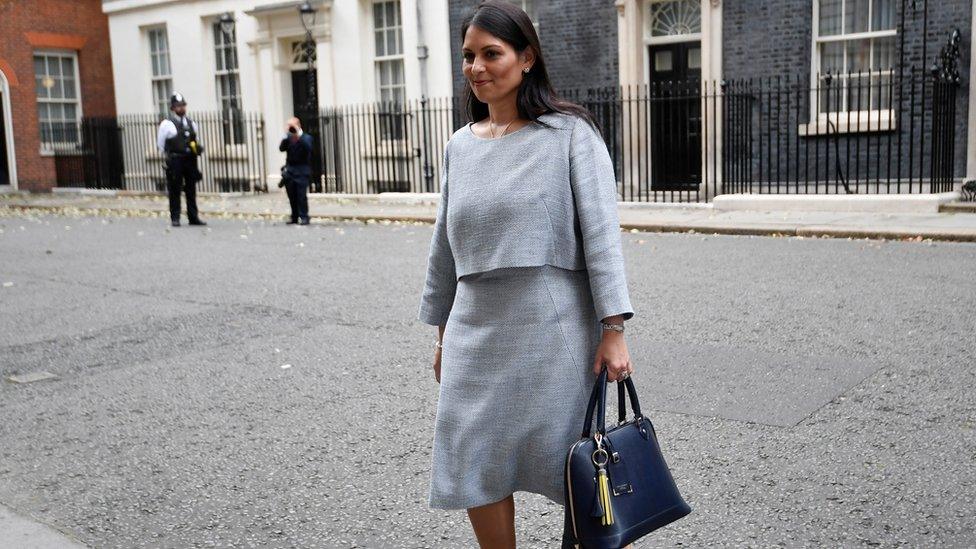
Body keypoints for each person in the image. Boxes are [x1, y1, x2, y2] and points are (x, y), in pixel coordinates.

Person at [417, 2, 635, 548]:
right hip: (474, 327)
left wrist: (614, 328)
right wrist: (443, 333)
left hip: (549, 326)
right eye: (469, 56)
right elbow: (445, 246)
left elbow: (601, 234)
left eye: (492, 53)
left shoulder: (569, 133)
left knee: (569, 460)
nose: (477, 67)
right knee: (474, 457)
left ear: (527, 58)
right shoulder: (459, 146)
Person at [156, 93, 206, 227]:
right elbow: (161, 145)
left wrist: (197, 149)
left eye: (183, 105)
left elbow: (195, 141)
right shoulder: (166, 124)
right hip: (175, 160)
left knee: (191, 189)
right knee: (175, 189)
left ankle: (193, 216)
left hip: (190, 160)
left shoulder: (191, 123)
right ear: (173, 108)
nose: (181, 108)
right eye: (178, 106)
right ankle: (175, 217)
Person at [279, 116, 313, 225]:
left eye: (291, 125)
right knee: (291, 195)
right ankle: (294, 217)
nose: (289, 127)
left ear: (298, 125)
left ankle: (304, 217)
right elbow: (281, 148)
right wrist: (286, 135)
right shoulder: (288, 139)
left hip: (302, 171)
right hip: (290, 171)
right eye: (288, 125)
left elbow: (308, 148)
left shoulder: (306, 137)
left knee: (301, 196)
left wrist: (298, 135)